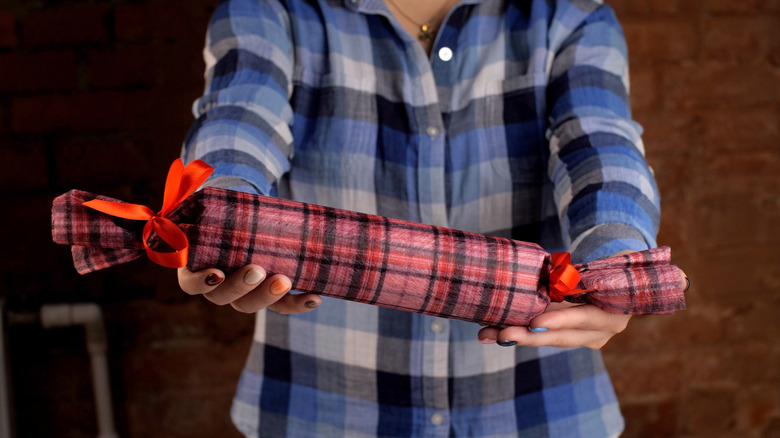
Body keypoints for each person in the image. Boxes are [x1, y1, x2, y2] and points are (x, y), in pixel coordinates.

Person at [176, 0, 665, 436]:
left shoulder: (570, 15)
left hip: (538, 407)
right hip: (322, 407)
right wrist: (217, 220)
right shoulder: (271, 9)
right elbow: (239, 123)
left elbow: (600, 148)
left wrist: (615, 261)